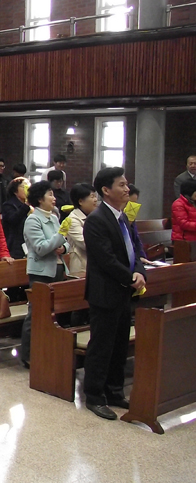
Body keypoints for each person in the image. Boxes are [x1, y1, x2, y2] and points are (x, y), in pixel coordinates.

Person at [82, 167, 146, 420]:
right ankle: (94, 396)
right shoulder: (96, 220)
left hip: (124, 292)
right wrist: (130, 278)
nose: (127, 189)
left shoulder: (123, 217)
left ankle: (114, 391)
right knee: (102, 345)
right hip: (105, 292)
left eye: (127, 184)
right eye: (121, 185)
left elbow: (135, 250)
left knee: (120, 345)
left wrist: (139, 271)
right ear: (106, 190)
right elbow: (106, 259)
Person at [20, 180, 70, 366]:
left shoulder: (54, 218)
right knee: (36, 313)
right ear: (40, 199)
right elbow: (40, 248)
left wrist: (63, 247)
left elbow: (65, 243)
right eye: (50, 194)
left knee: (53, 313)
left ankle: (47, 350)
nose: (53, 198)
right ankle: (28, 355)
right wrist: (60, 238)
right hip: (41, 272)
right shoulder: (33, 220)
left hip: (58, 268)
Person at [66, 183, 98, 275]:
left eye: (95, 196)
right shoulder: (72, 220)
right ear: (80, 201)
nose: (96, 200)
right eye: (92, 196)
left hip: (94, 265)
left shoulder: (94, 217)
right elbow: (85, 243)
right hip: (81, 267)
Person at [1, 178, 31, 260]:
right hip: (15, 245)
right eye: (24, 187)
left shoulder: (31, 206)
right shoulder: (8, 205)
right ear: (15, 191)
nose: (27, 189)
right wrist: (26, 206)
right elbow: (13, 219)